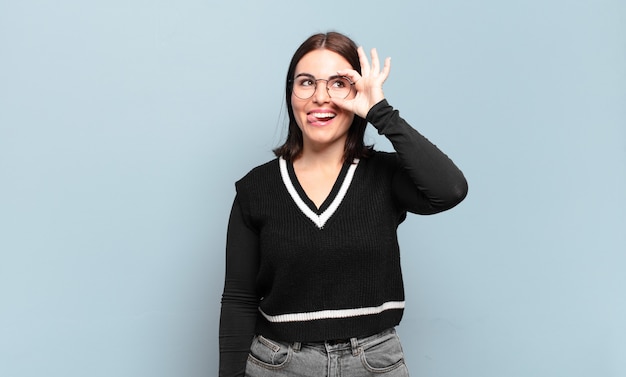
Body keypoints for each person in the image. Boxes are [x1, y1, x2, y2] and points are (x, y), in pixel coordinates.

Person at [219, 31, 468, 377]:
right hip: (280, 364)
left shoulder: (386, 176)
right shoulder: (256, 189)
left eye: (338, 84)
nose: (320, 97)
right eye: (306, 82)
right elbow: (238, 300)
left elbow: (450, 189)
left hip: (374, 363)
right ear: (291, 92)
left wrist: (381, 113)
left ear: (357, 92)